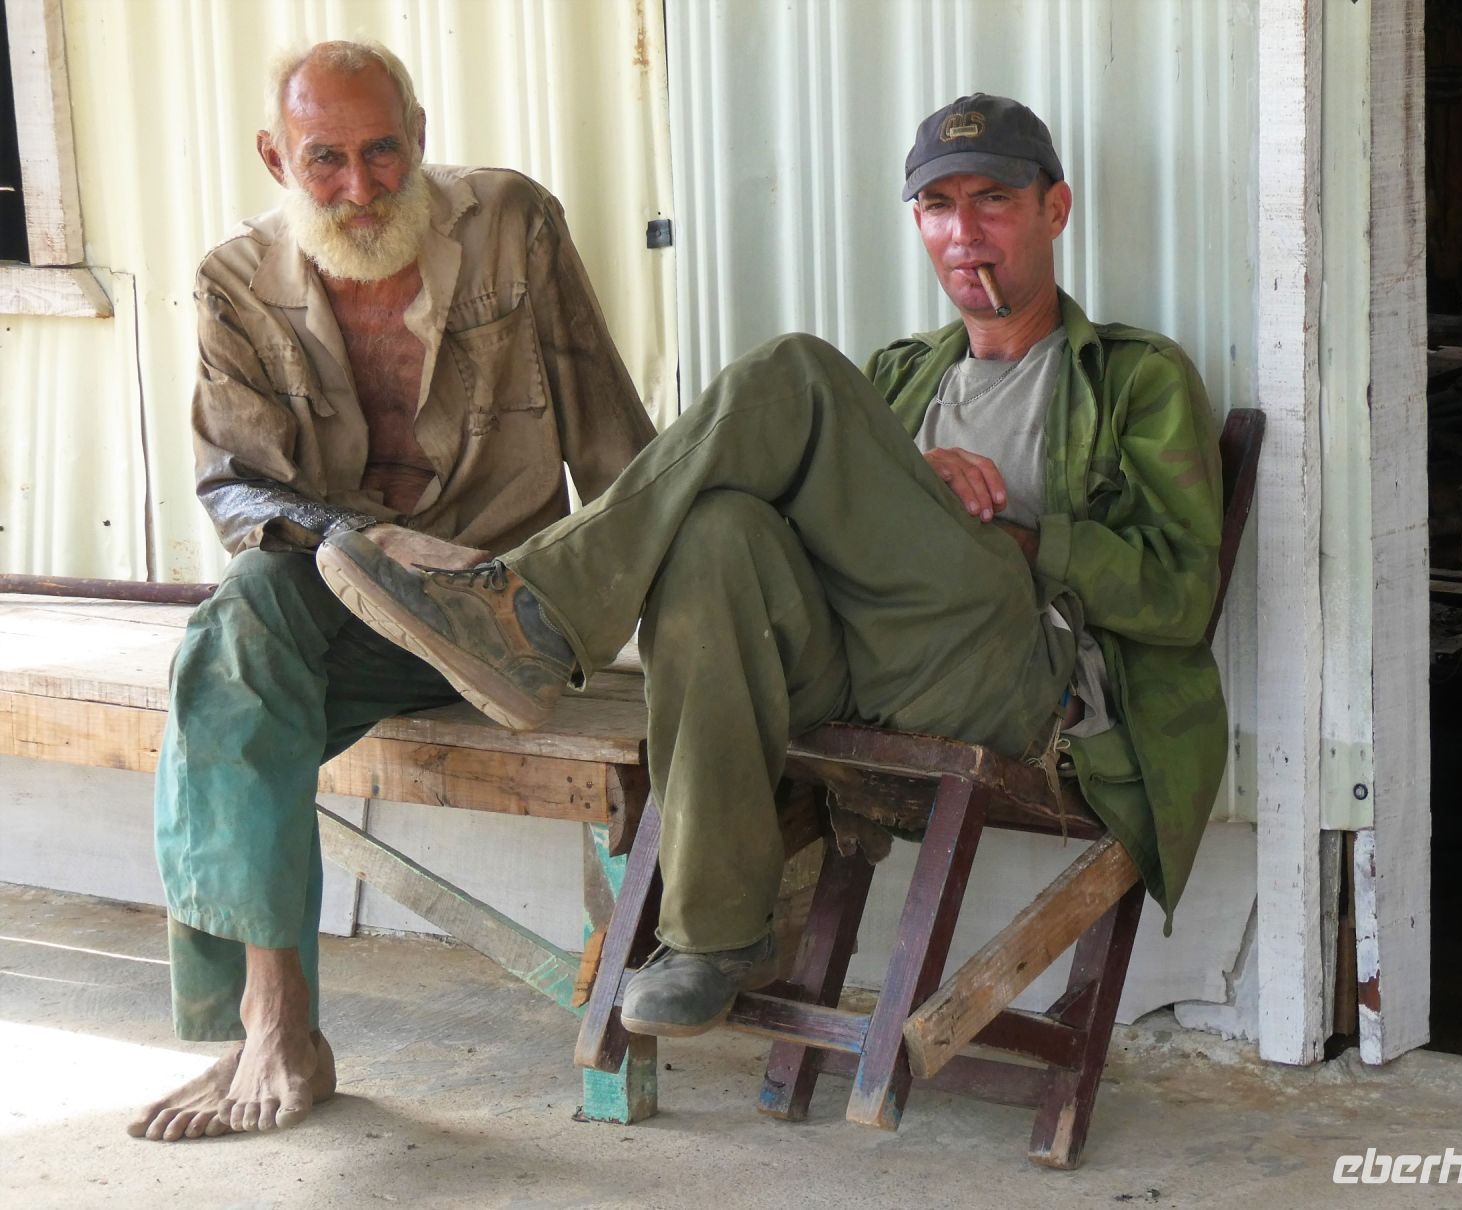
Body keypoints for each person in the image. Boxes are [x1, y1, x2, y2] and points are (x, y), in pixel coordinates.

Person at [318, 92, 1226, 1042]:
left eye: (994, 200)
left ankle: (533, 613)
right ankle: (717, 935)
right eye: (938, 207)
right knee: (714, 534)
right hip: (863, 663)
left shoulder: (1131, 376)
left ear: (1055, 209)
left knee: (796, 371)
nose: (966, 233)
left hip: (1014, 677)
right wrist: (907, 480)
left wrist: (1023, 537)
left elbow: (1181, 595)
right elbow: (802, 540)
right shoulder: (903, 375)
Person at [128, 40, 656, 1142]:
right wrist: (367, 549)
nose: (362, 188)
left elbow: (611, 432)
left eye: (383, 152)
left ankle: (275, 1028)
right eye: (326, 160)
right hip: (355, 614)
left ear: (419, 135)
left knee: (222, 687)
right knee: (236, 636)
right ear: (275, 155)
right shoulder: (235, 281)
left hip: (505, 617)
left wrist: (656, 625)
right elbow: (234, 489)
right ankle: (279, 1024)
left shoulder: (510, 220)